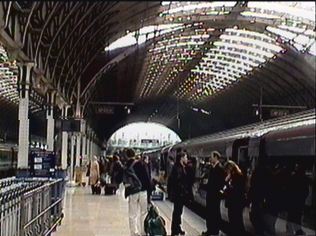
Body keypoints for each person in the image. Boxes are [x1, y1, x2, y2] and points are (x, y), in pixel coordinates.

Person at [123, 148, 151, 236]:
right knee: (143, 213)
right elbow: (147, 179)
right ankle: (143, 232)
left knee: (132, 214)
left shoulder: (126, 166)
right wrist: (149, 194)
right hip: (143, 192)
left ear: (126, 155)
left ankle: (134, 233)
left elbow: (124, 180)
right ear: (134, 154)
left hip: (132, 192)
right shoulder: (141, 164)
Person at [202, 151, 226, 236]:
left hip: (215, 195)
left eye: (211, 156)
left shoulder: (220, 169)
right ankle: (210, 230)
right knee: (209, 213)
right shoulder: (212, 168)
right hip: (210, 194)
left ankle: (215, 231)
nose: (210, 158)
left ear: (216, 157)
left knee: (215, 213)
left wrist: (218, 191)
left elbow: (221, 183)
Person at [167, 151, 190, 236]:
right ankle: (174, 231)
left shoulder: (180, 167)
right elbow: (178, 182)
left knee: (178, 212)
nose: (187, 159)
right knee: (177, 213)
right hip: (179, 195)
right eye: (186, 157)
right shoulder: (178, 168)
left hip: (179, 195)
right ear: (182, 158)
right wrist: (184, 191)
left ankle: (177, 228)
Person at [224, 160, 247, 236]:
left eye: (227, 169)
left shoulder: (238, 176)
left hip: (236, 202)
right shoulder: (234, 176)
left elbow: (237, 189)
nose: (227, 171)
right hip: (233, 202)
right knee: (234, 220)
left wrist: (228, 185)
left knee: (236, 220)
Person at [286, 163, 310, 235]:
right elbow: (306, 191)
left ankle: (291, 228)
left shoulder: (293, 177)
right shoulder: (304, 178)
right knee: (297, 215)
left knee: (292, 214)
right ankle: (297, 230)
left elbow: (289, 188)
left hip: (293, 199)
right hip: (299, 200)